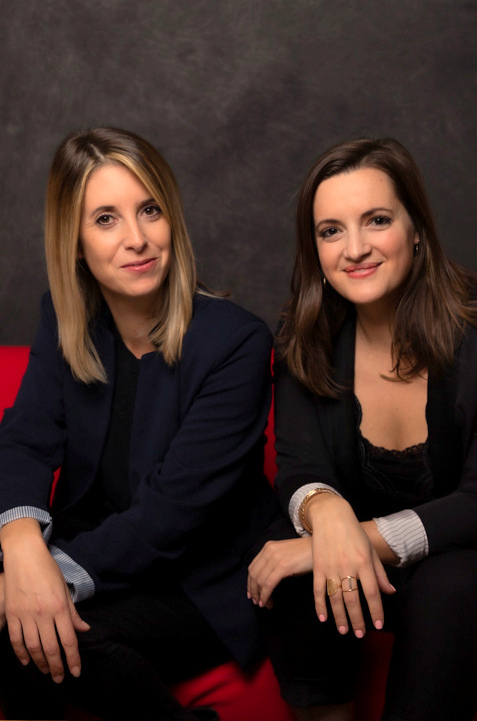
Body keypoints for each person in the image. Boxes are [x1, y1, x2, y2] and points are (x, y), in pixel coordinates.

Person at [0, 127, 280, 721]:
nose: (137, 238)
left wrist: (50, 578)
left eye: (150, 210)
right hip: (95, 548)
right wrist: (20, 545)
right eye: (106, 219)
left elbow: (169, 515)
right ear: (74, 243)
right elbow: (25, 439)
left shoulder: (236, 342)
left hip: (199, 581)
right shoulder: (65, 318)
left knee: (30, 633)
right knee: (21, 626)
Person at [247, 137, 477, 721]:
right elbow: (300, 468)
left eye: (377, 220)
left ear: (417, 228)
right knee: (292, 568)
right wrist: (326, 516)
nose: (354, 249)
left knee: (451, 583)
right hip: (366, 581)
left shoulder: (473, 330)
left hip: (461, 568)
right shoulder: (305, 337)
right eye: (331, 231)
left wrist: (352, 539)